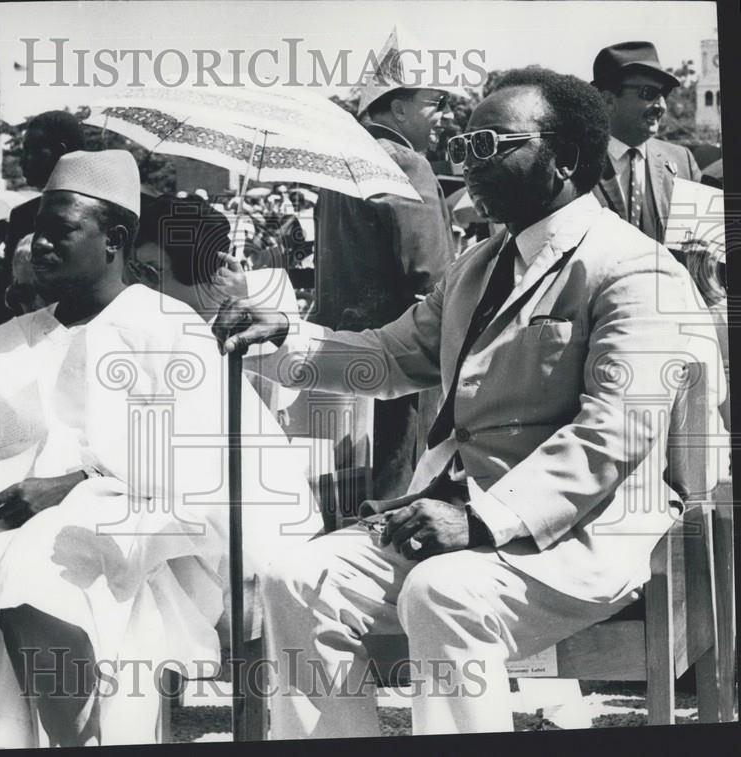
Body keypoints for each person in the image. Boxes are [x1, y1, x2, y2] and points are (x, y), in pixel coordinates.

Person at [213, 67, 725, 737]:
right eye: (464, 145)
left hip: (584, 535)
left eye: (492, 143)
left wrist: (484, 519)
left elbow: (615, 429)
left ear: (564, 158)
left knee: (442, 589)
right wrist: (285, 338)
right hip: (461, 523)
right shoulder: (478, 266)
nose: (468, 162)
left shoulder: (632, 267)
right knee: (296, 577)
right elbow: (392, 355)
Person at [0, 150, 311, 751]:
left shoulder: (165, 327)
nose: (39, 244)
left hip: (147, 527)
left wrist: (66, 484)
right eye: (36, 231)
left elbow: (192, 473)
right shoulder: (20, 334)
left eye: (60, 231)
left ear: (114, 239)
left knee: (37, 564)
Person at [313, 70, 458, 500]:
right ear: (398, 107)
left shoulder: (341, 156)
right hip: (399, 356)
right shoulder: (406, 160)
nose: (443, 116)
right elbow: (432, 275)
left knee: (348, 482)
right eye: (435, 103)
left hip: (337, 348)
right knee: (395, 487)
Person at [590, 41, 702, 243]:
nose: (662, 106)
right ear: (608, 101)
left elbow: (706, 255)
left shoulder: (682, 161)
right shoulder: (575, 163)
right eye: (649, 94)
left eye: (663, 95)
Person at [0, 110, 86, 325]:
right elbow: (8, 296)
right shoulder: (22, 215)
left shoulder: (26, 216)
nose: (22, 160)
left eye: (31, 150)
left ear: (60, 153)